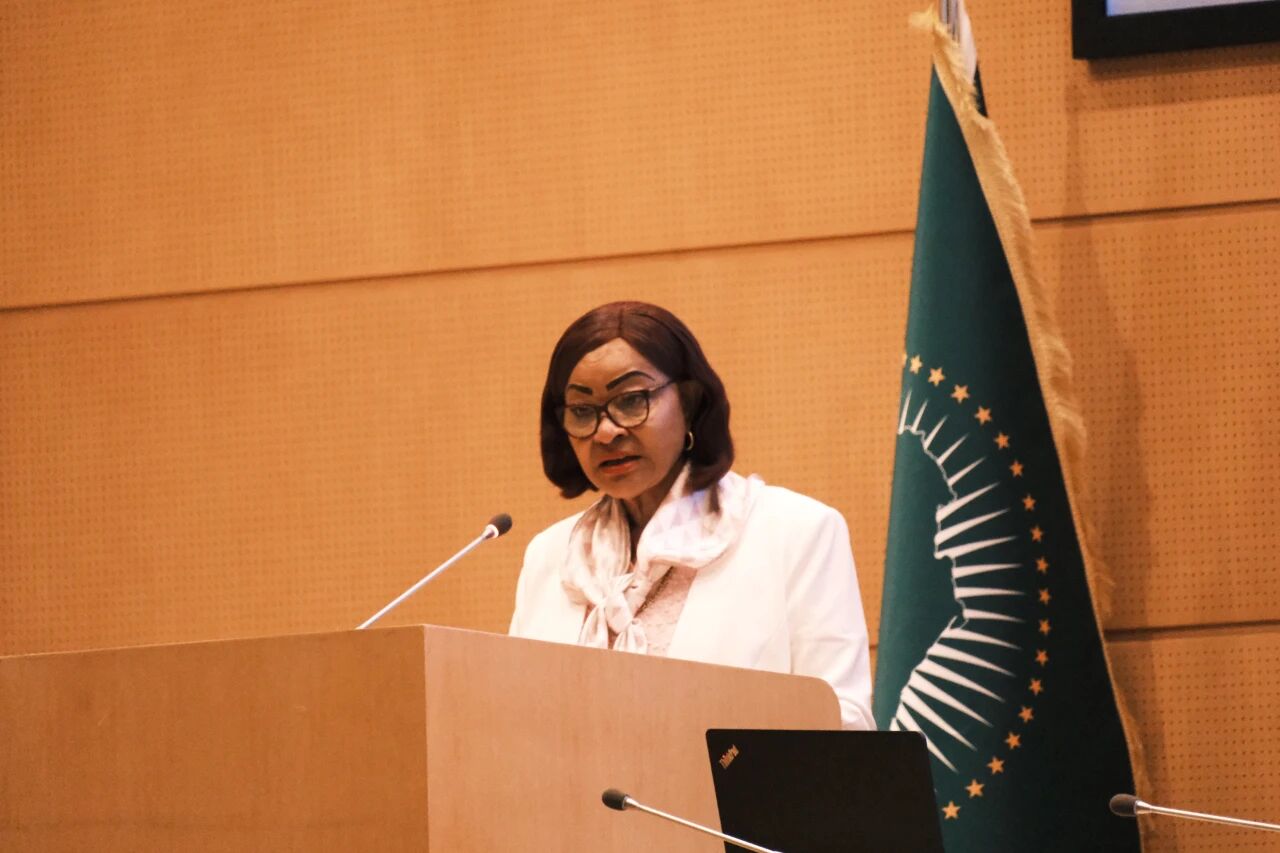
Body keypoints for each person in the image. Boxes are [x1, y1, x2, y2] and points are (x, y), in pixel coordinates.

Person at [508, 301, 873, 730]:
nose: (606, 431)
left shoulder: (795, 533)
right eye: (583, 411)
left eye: (631, 400)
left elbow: (844, 722)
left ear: (690, 400)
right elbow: (515, 721)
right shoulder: (551, 556)